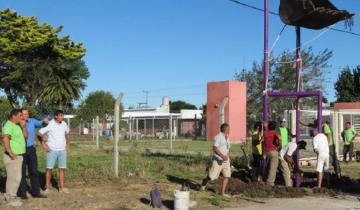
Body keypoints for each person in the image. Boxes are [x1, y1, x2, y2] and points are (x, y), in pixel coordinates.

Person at [17, 108, 49, 199]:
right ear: (20, 115)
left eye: (27, 114)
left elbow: (40, 123)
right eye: (23, 114)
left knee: (34, 171)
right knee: (22, 172)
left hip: (31, 149)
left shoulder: (32, 121)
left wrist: (44, 121)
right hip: (21, 150)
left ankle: (36, 192)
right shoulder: (17, 123)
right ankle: (22, 193)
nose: (26, 116)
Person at [37, 110, 70, 193]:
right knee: (49, 169)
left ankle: (62, 188)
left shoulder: (64, 124)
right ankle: (47, 188)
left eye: (62, 115)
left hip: (62, 150)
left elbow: (67, 133)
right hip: (52, 150)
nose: (62, 117)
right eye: (60, 115)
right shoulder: (50, 124)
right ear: (56, 116)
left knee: (62, 169)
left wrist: (68, 143)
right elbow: (39, 133)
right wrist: (44, 145)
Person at [2, 109, 28, 207]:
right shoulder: (8, 125)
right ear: (14, 116)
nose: (22, 117)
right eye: (20, 115)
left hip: (19, 155)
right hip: (12, 156)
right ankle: (10, 198)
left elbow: (26, 136)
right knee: (13, 177)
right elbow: (5, 139)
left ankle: (11, 195)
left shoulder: (17, 126)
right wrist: (11, 153)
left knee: (16, 177)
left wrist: (24, 127)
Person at [201, 123, 231, 197]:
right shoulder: (218, 137)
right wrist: (222, 156)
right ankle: (204, 182)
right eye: (229, 128)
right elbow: (214, 148)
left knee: (227, 176)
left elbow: (227, 149)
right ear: (226, 129)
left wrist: (228, 156)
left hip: (226, 160)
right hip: (218, 160)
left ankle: (222, 193)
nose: (230, 130)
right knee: (211, 177)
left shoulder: (227, 137)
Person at [263, 121, 281, 187]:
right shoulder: (275, 132)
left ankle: (264, 179)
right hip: (274, 151)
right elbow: (279, 138)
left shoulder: (265, 133)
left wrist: (265, 127)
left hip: (267, 152)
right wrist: (279, 143)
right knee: (273, 168)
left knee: (267, 167)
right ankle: (270, 183)